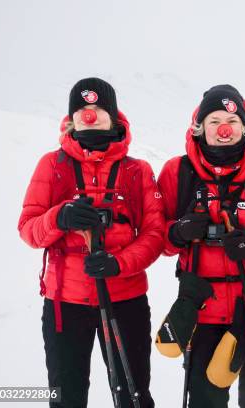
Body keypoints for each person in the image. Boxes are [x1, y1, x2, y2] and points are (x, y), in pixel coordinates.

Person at [18, 77, 164, 407]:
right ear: (71, 118)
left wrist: (118, 263)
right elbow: (28, 229)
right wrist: (60, 217)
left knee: (133, 395)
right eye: (83, 109)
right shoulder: (52, 165)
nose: (91, 115)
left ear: (114, 116)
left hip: (125, 299)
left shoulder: (137, 171)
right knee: (66, 397)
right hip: (64, 304)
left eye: (99, 109)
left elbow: (155, 236)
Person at [157, 84, 245, 408]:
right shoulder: (178, 173)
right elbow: (154, 237)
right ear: (199, 126)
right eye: (214, 119)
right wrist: (177, 232)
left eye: (232, 120)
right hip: (203, 311)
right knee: (205, 400)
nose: (223, 128)